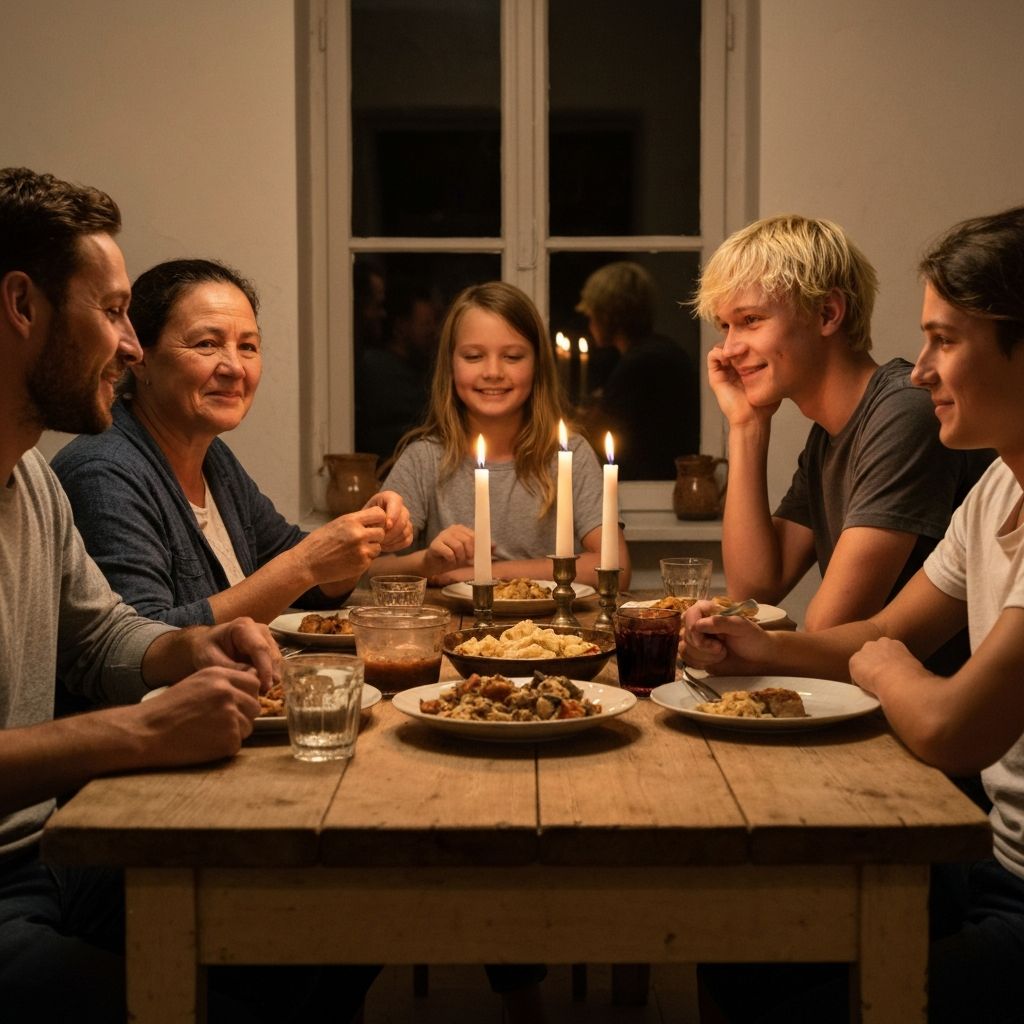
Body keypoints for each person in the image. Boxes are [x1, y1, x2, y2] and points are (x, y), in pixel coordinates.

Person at [0, 167, 356, 1022]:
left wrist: (189, 647)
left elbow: (104, 637)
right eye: (115, 311)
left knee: (335, 917)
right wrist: (143, 727)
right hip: (30, 875)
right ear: (22, 306)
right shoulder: (93, 469)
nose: (129, 346)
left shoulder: (33, 487)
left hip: (48, 853)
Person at [683, 206, 1024, 1024]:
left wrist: (865, 660)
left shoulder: (902, 420)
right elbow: (789, 596)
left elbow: (943, 721)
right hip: (980, 846)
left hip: (953, 814)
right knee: (736, 949)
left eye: (947, 341)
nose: (921, 370)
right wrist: (756, 643)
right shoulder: (996, 488)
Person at [693, 214, 991, 672]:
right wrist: (747, 426)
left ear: (828, 313)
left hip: (940, 705)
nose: (729, 348)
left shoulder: (905, 412)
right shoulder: (828, 437)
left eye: (750, 320)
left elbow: (832, 624)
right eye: (725, 326)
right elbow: (756, 586)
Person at [52, 258, 412, 630]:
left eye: (248, 346)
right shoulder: (101, 471)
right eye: (207, 344)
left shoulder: (213, 457)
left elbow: (309, 584)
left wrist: (362, 535)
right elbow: (144, 643)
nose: (235, 367)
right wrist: (305, 564)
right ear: (140, 359)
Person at [372, 280, 631, 589]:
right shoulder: (424, 458)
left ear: (537, 365)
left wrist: (484, 573)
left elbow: (615, 566)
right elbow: (372, 569)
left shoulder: (568, 454)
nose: (493, 372)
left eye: (512, 357)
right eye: (473, 356)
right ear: (450, 365)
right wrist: (427, 562)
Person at [577, 260, 699, 480]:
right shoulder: (660, 350)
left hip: (652, 483)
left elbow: (600, 433)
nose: (590, 322)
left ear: (608, 314)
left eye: (592, 313)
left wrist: (579, 421)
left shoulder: (641, 362)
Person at [355, 275, 441, 462]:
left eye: (435, 323)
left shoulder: (422, 370)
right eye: (426, 324)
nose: (434, 332)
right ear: (401, 326)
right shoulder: (378, 369)